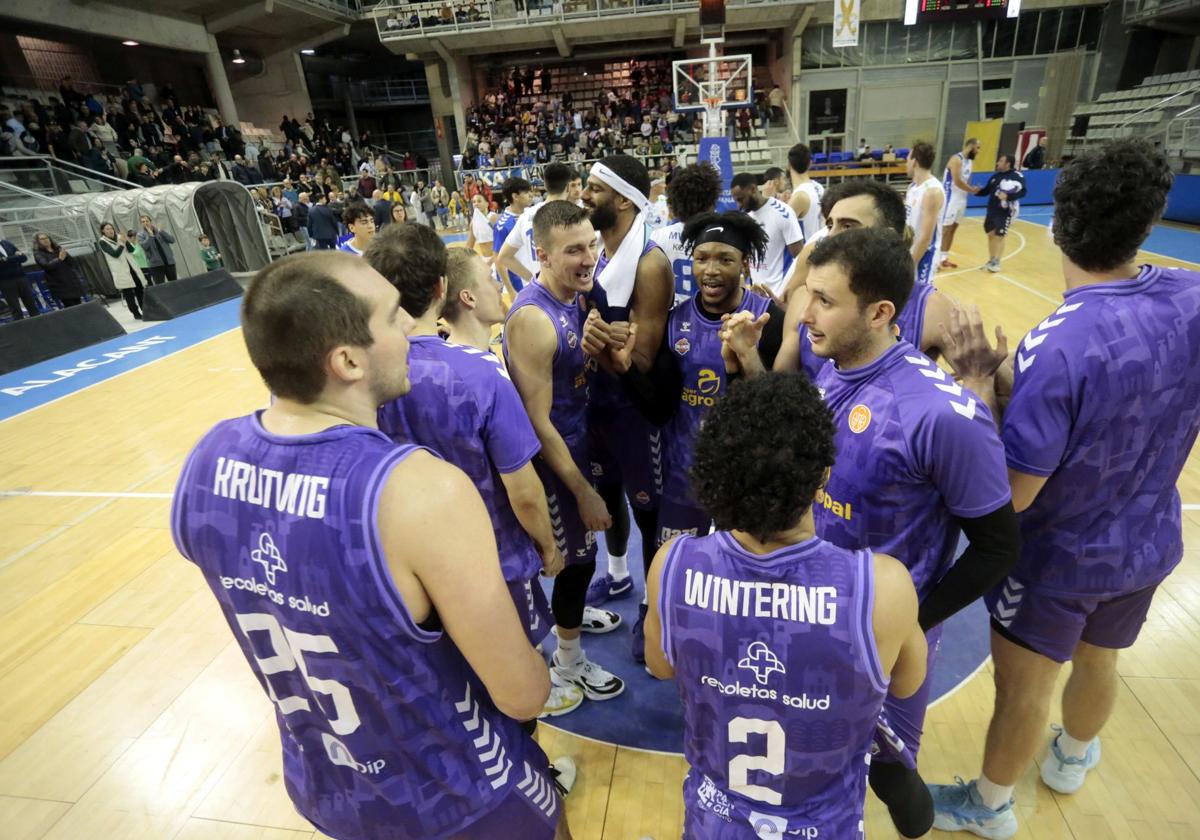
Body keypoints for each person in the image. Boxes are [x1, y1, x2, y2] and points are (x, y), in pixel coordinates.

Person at [171, 251, 576, 840]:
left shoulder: (207, 460)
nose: (415, 326)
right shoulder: (419, 490)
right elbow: (523, 695)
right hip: (460, 794)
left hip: (333, 790)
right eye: (393, 318)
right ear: (348, 360)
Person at [927, 139, 1198, 838]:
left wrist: (981, 392)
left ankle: (989, 805)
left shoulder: (1058, 345)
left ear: (1054, 225)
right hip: (1148, 538)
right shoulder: (1190, 295)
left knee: (1025, 686)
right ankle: (1074, 756)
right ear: (1147, 222)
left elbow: (1014, 493)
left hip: (1058, 561)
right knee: (1101, 657)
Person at [726, 227, 1020, 839]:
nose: (804, 314)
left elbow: (998, 546)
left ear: (881, 312)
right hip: (812, 613)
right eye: (808, 293)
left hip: (887, 634)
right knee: (808, 754)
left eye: (825, 301)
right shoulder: (834, 370)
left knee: (889, 772)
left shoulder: (941, 416)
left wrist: (911, 622)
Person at [644, 372, 928, 838]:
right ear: (823, 477)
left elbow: (659, 665)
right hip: (823, 828)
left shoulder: (672, 565)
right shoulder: (883, 586)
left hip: (716, 822)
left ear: (719, 473)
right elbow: (907, 683)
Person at [368, 225, 583, 719]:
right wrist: (549, 547)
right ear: (442, 290)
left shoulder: (363, 378)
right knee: (514, 682)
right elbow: (523, 490)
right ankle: (529, 775)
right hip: (492, 563)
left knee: (447, 681)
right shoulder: (481, 373)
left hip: (403, 567)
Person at [503, 200, 625, 706]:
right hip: (553, 464)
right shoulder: (534, 319)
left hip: (580, 443)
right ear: (542, 255)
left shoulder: (576, 296)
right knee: (572, 563)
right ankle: (566, 662)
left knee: (586, 555)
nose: (588, 257)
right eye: (573, 249)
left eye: (592, 244)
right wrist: (581, 492)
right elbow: (537, 422)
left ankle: (570, 624)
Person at [615, 212, 784, 563]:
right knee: (672, 569)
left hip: (746, 481)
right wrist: (625, 367)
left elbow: (780, 411)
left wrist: (748, 356)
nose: (710, 270)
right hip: (683, 477)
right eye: (702, 258)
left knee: (738, 580)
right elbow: (660, 409)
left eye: (725, 259)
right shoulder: (675, 321)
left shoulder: (770, 320)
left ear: (745, 265)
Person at [578, 155, 675, 651]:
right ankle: (617, 574)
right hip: (597, 403)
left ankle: (651, 606)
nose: (584, 194)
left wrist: (603, 346)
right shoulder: (595, 254)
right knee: (606, 493)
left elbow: (642, 355)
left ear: (622, 198)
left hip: (635, 410)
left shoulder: (650, 263)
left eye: (593, 187)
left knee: (647, 510)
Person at [774, 180, 960, 379]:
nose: (831, 237)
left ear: (887, 237)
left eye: (847, 225)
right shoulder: (804, 297)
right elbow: (779, 386)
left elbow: (984, 382)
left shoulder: (932, 309)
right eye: (830, 225)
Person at [650, 163, 722, 305]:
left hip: (670, 319)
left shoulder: (657, 237)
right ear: (712, 202)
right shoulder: (723, 238)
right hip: (711, 319)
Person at [729, 172, 804, 300]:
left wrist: (788, 293)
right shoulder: (747, 218)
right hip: (756, 296)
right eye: (737, 201)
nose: (739, 206)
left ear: (753, 189)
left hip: (779, 296)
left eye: (741, 200)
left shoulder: (783, 213)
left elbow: (800, 258)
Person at [497, 164, 572, 288]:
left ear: (545, 186)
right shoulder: (574, 215)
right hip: (566, 289)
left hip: (538, 291)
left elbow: (504, 257)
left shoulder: (526, 215)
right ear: (568, 186)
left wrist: (533, 278)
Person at [905, 141, 945, 286]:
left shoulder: (932, 191)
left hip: (924, 256)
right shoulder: (913, 187)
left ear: (914, 162)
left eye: (907, 160)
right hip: (910, 251)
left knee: (922, 300)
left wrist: (909, 265)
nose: (906, 164)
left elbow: (926, 237)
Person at [979, 154, 1027, 273]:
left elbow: (1023, 192)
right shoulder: (996, 176)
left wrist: (1008, 196)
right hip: (991, 209)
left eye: (1000, 161)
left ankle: (996, 262)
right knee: (990, 234)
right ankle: (991, 260)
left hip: (1005, 210)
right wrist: (976, 191)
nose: (997, 163)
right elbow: (986, 190)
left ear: (1008, 164)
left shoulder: (1017, 176)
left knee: (999, 235)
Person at [938, 137, 981, 270]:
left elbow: (967, 180)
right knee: (944, 230)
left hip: (962, 199)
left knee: (953, 229)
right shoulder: (956, 159)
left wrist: (973, 188)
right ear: (971, 146)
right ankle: (934, 261)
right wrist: (972, 189)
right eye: (978, 148)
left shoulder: (969, 162)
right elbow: (956, 181)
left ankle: (943, 258)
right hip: (951, 199)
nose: (979, 151)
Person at [493, 177, 535, 298]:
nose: (531, 195)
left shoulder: (530, 214)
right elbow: (498, 259)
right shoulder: (503, 225)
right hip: (519, 282)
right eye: (526, 192)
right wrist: (511, 291)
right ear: (515, 196)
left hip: (534, 276)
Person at [97, 222, 145, 320]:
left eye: (111, 228)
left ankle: (145, 309)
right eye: (107, 229)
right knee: (129, 294)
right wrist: (122, 243)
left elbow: (131, 250)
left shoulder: (120, 237)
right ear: (103, 231)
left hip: (132, 268)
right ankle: (136, 313)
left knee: (140, 290)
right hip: (121, 270)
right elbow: (115, 254)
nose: (110, 230)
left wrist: (127, 241)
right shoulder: (102, 242)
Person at [32, 233, 86, 308]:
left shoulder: (58, 249)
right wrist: (59, 259)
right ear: (37, 242)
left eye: (46, 238)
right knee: (71, 307)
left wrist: (66, 255)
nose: (45, 240)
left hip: (71, 281)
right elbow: (46, 266)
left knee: (79, 305)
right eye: (42, 239)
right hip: (59, 284)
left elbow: (72, 263)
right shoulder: (38, 253)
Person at [786, 143, 825, 243]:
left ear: (789, 165)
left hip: (807, 253)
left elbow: (776, 231)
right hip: (821, 247)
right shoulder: (819, 187)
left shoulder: (799, 196)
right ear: (810, 163)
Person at [0, 237, 36, 319]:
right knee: (15, 308)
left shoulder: (6, 242)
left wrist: (6, 259)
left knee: (31, 303)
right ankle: (20, 328)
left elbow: (23, 258)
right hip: (5, 280)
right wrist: (15, 258)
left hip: (21, 276)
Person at [138, 215, 178, 284]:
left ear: (150, 222)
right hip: (156, 265)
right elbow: (144, 247)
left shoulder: (159, 231)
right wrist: (150, 236)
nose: (145, 223)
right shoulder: (141, 235)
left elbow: (172, 240)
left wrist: (162, 232)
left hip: (169, 262)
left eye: (147, 221)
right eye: (143, 222)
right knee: (160, 287)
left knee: (175, 284)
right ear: (141, 224)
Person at [466, 193, 497, 260]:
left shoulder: (493, 217)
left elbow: (503, 242)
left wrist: (492, 261)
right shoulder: (473, 223)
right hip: (485, 259)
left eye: (479, 201)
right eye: (474, 202)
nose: (476, 204)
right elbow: (469, 246)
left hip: (498, 258)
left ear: (487, 204)